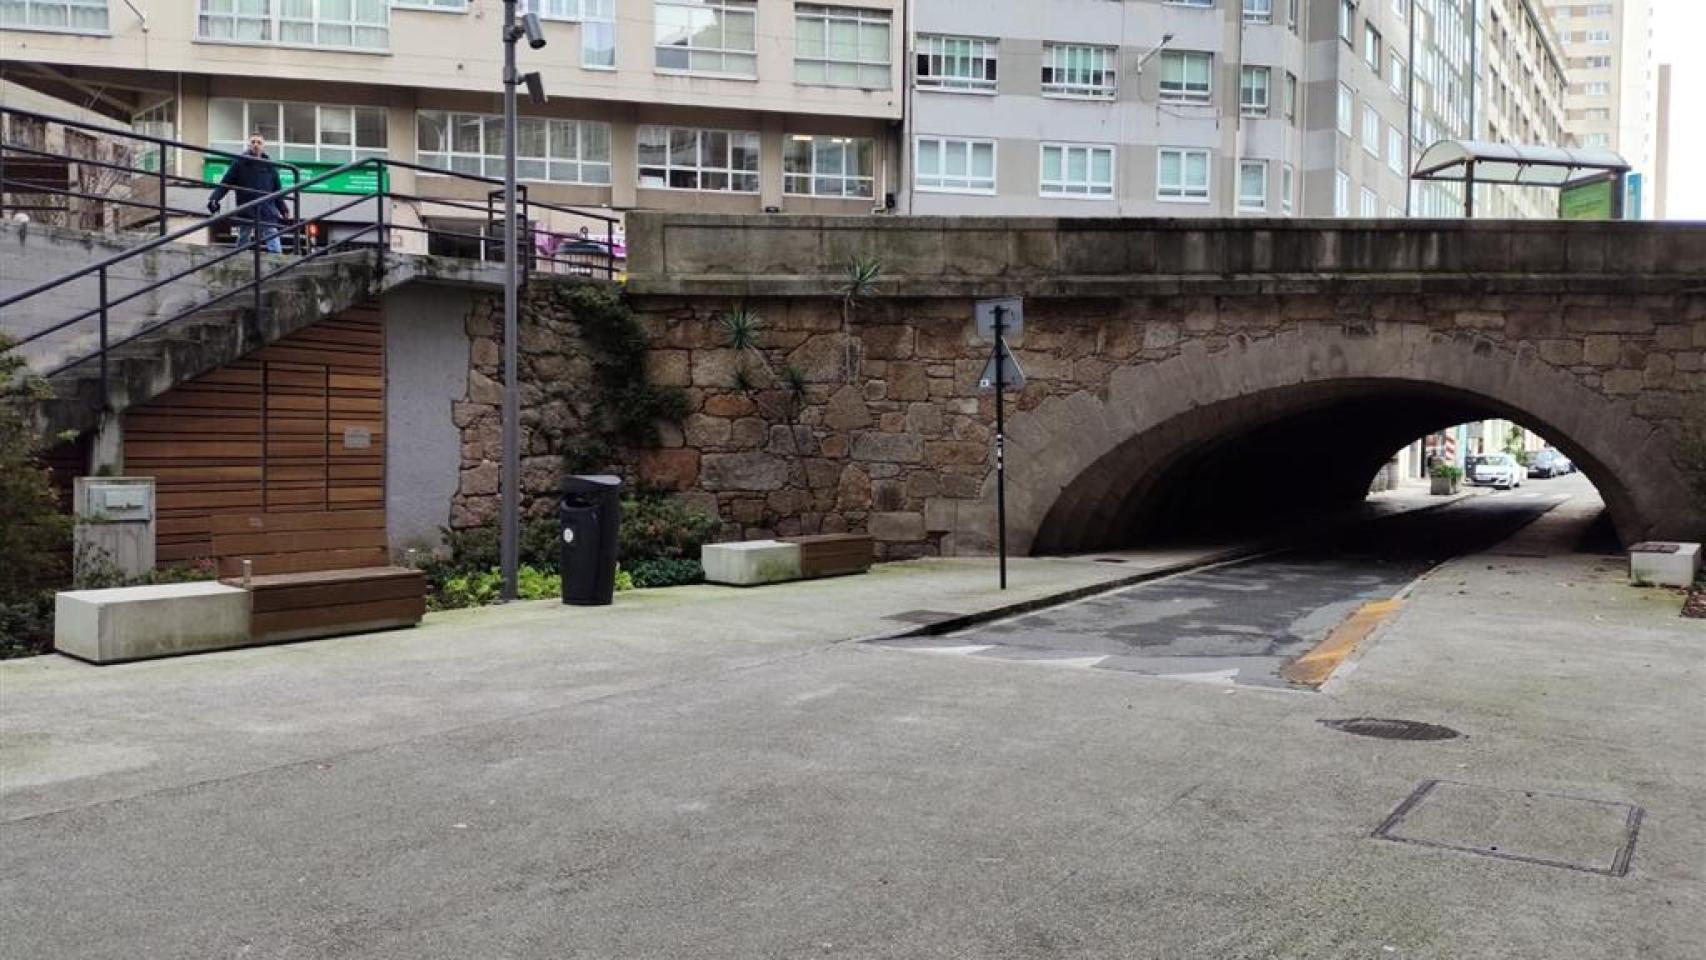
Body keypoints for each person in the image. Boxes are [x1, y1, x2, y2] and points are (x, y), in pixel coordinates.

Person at [208, 133, 290, 254]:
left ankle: (278, 263)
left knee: (271, 234)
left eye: (259, 142)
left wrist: (283, 209)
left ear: (263, 146)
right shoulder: (239, 163)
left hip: (266, 208)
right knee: (244, 235)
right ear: (249, 145)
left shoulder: (270, 166)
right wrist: (215, 199)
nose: (256, 145)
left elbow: (276, 191)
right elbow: (226, 183)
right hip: (247, 207)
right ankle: (239, 258)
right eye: (253, 142)